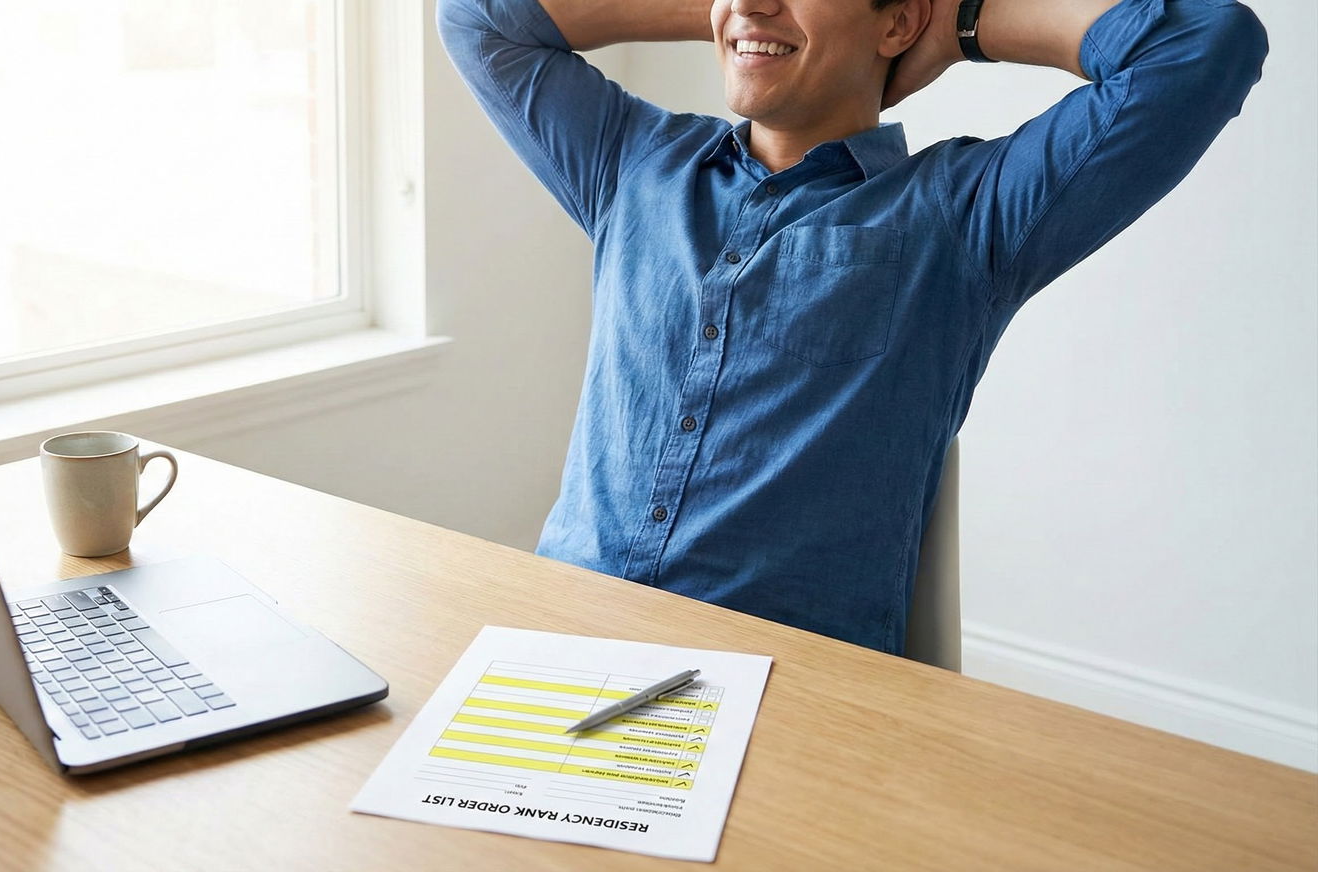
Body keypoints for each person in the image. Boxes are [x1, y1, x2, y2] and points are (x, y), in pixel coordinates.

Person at [438, 0, 1267, 653]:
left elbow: (1206, 44)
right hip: (561, 634)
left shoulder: (964, 215)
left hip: (786, 683)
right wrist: (735, 16)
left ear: (898, 21)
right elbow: (477, 14)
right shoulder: (632, 162)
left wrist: (962, 22)